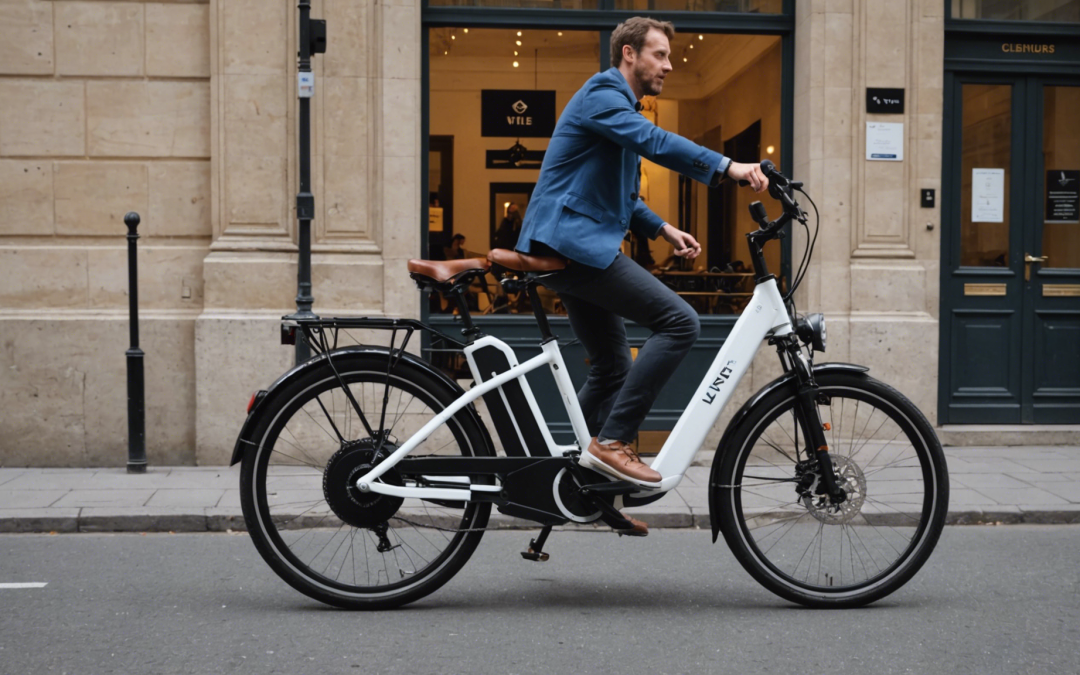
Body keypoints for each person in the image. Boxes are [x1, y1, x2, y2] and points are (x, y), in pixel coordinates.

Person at [513, 17, 768, 534]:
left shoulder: (618, 108)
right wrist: (727, 167)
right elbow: (653, 141)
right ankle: (612, 444)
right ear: (628, 54)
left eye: (669, 57)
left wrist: (664, 228)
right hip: (573, 244)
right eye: (660, 55)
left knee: (610, 367)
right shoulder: (603, 94)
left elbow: (623, 196)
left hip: (576, 244)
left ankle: (566, 482)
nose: (669, 66)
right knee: (680, 321)